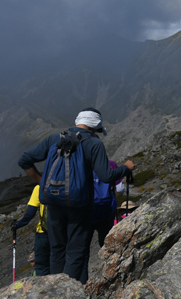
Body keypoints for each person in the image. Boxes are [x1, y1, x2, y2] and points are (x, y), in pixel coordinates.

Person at [18, 107, 135, 283]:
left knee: (57, 250)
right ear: (95, 126)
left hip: (53, 202)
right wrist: (126, 168)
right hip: (79, 205)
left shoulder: (54, 138)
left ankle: (55, 289)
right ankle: (68, 291)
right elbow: (106, 176)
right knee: (76, 251)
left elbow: (24, 160)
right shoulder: (93, 143)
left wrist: (42, 182)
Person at [11, 185, 49, 276]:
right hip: (63, 233)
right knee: (59, 264)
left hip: (44, 233)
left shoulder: (40, 187)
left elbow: (29, 214)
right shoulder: (71, 184)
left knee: (42, 267)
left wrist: (17, 225)